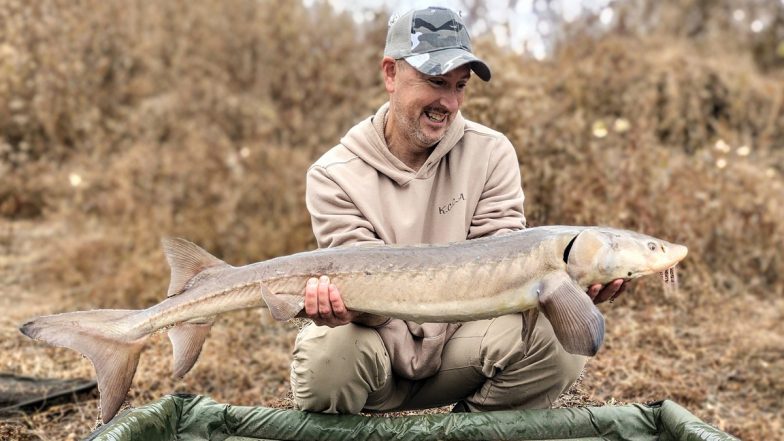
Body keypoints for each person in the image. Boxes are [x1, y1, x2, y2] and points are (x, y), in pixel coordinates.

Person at [290, 6, 625, 414]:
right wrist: (343, 305)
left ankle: (473, 429)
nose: (448, 103)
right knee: (327, 356)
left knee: (556, 338)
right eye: (435, 82)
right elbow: (362, 291)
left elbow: (504, 259)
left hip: (459, 349)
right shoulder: (333, 174)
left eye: (460, 86)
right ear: (390, 74)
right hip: (375, 354)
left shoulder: (491, 151)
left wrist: (571, 289)